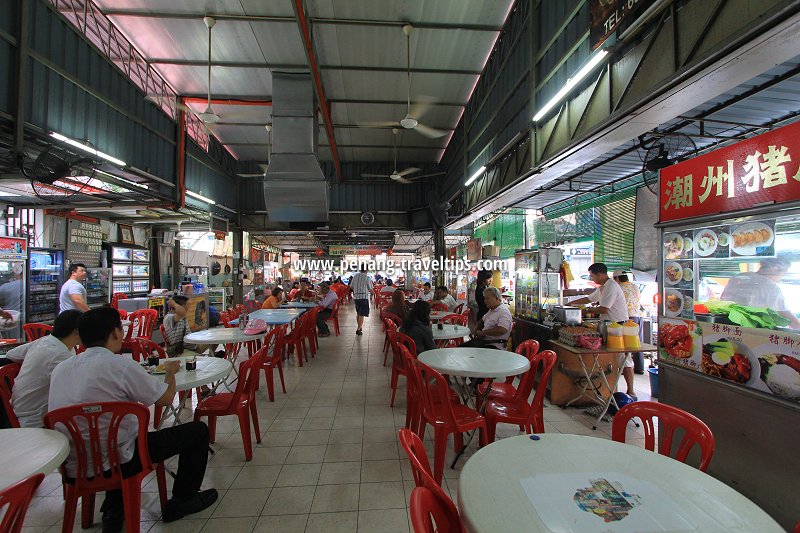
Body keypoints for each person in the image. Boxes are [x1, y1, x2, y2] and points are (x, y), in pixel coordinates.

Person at [48, 308, 217, 530]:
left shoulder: (61, 369)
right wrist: (170, 372)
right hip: (122, 460)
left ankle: (113, 510)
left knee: (111, 438)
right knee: (197, 432)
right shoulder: (121, 366)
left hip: (74, 463)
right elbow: (165, 399)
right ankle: (182, 501)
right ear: (116, 333)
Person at [7, 310, 82, 428]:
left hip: (17, 409)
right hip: (36, 421)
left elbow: (11, 354)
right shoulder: (60, 355)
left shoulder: (43, 341)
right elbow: (79, 390)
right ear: (77, 332)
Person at [570, 263, 634, 397]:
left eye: (592, 275)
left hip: (619, 326)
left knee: (624, 359)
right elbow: (589, 298)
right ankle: (609, 389)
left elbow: (604, 309)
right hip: (608, 326)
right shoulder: (603, 288)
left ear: (600, 274)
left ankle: (631, 390)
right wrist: (571, 304)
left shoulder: (611, 286)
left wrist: (585, 310)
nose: (591, 278)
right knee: (611, 357)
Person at [721, 257, 800, 329]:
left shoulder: (739, 277)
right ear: (775, 269)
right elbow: (787, 317)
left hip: (729, 327)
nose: (781, 278)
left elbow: (722, 300)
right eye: (783, 274)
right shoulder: (771, 287)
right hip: (756, 332)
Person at [614, 269, 644, 374]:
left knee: (625, 344)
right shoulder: (634, 286)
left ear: (617, 278)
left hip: (626, 317)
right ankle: (639, 367)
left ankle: (624, 369)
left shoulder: (619, 288)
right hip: (638, 316)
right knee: (636, 343)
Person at [349, 265, 374, 336]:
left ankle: (360, 328)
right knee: (362, 314)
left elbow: (351, 287)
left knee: (358, 313)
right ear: (366, 270)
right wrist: (373, 293)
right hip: (364, 297)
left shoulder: (355, 276)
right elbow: (371, 289)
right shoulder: (367, 277)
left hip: (356, 298)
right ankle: (358, 329)